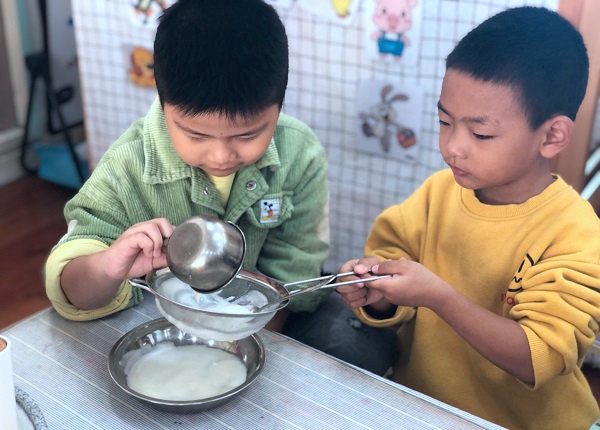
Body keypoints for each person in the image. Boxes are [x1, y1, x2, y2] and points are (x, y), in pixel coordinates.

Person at [337, 6, 600, 430]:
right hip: (425, 410)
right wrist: (375, 289)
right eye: (445, 121)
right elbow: (393, 267)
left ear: (552, 136)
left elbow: (542, 356)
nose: (452, 147)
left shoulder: (575, 231)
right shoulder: (439, 193)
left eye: (481, 134)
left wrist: (437, 296)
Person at [44, 0, 331, 332]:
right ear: (164, 104)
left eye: (247, 135)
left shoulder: (300, 154)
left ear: (279, 107)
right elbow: (72, 292)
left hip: (260, 328)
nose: (221, 156)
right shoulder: (127, 166)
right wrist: (109, 267)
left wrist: (245, 339)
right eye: (196, 135)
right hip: (154, 328)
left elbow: (294, 277)